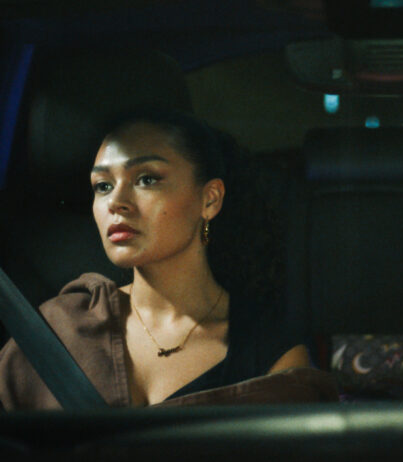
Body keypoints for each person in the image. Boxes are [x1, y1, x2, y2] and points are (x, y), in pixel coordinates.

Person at [0, 109, 337, 409]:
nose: (116, 201)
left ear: (210, 200)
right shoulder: (56, 330)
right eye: (103, 185)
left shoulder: (273, 358)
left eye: (146, 179)